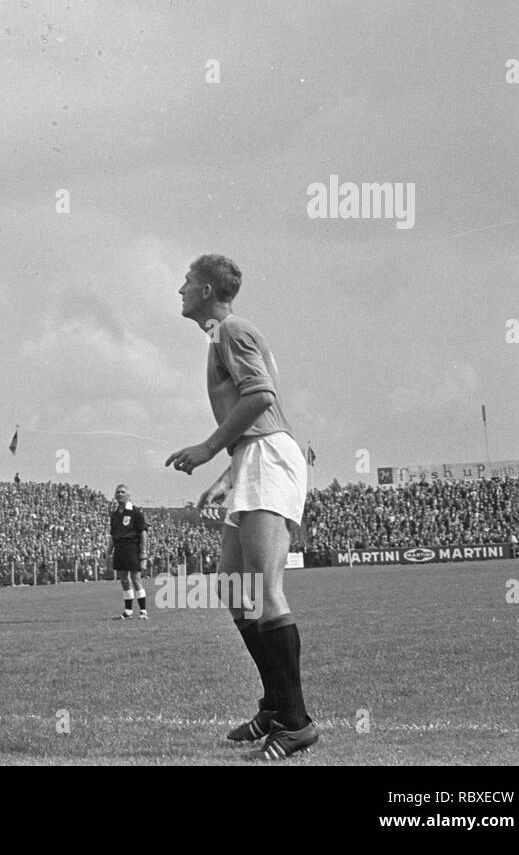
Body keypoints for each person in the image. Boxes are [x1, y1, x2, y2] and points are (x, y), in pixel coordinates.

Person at [166, 254, 317, 759]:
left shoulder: (231, 330)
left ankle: (295, 723)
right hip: (253, 457)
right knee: (235, 588)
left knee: (264, 590)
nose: (180, 289)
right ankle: (276, 706)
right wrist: (223, 475)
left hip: (267, 457)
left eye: (187, 281)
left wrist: (208, 448)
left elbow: (261, 397)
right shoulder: (221, 336)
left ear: (207, 289)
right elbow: (258, 414)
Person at [108, 484, 149, 619]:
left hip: (132, 548)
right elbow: (113, 535)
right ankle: (128, 611)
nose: (119, 494)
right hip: (119, 549)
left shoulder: (136, 512)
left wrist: (143, 553)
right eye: (117, 492)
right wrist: (109, 551)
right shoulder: (114, 515)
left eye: (122, 492)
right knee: (124, 580)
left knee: (136, 579)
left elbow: (143, 533)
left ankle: (143, 611)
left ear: (128, 495)